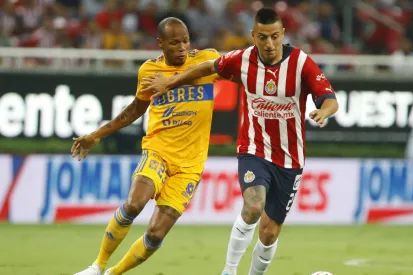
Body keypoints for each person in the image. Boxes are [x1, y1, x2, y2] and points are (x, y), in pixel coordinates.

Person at [140, 8, 339, 275]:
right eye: (262, 37)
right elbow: (206, 67)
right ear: (253, 36)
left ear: (283, 34)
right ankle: (229, 270)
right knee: (253, 205)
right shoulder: (242, 59)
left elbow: (330, 99)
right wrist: (170, 82)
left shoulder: (301, 63)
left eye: (274, 37)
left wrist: (323, 112)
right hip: (253, 149)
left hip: (290, 158)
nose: (268, 44)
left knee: (269, 233)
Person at [72, 17, 222, 275]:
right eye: (174, 43)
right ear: (160, 43)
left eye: (185, 41)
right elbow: (135, 110)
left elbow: (240, 70)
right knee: (133, 204)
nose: (182, 48)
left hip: (190, 165)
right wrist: (96, 135)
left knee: (155, 234)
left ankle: (113, 273)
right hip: (158, 151)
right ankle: (97, 266)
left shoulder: (207, 60)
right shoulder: (149, 71)